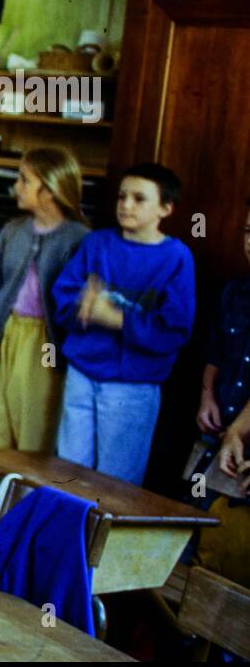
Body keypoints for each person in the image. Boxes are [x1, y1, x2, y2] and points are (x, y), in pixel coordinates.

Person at [52, 163, 195, 485]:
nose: (126, 205)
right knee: (67, 473)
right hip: (81, 374)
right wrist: (81, 305)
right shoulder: (96, 243)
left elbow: (174, 330)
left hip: (131, 387)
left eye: (139, 198)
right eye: (121, 196)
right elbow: (63, 296)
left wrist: (115, 317)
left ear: (165, 208)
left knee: (114, 482)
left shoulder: (177, 258)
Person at [0, 148, 89, 453]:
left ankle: (24, 499)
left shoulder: (78, 238)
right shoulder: (11, 232)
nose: (16, 187)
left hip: (45, 344)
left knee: (35, 428)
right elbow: (0, 287)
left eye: (24, 180)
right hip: (6, 334)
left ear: (50, 190)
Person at [195, 198, 250, 587]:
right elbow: (215, 350)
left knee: (233, 560)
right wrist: (207, 395)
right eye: (249, 231)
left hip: (244, 448)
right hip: (216, 433)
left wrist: (238, 430)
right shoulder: (234, 291)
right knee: (196, 533)